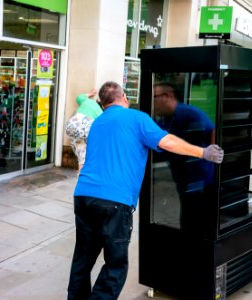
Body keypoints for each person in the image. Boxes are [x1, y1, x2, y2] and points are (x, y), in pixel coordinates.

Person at [67, 81, 224, 300]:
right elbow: (167, 142)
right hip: (115, 201)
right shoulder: (136, 117)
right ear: (123, 98)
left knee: (82, 260)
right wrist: (203, 153)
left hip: (83, 196)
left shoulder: (97, 123)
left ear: (103, 104)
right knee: (115, 265)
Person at [153, 82, 215, 232]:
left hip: (200, 182)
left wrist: (210, 159)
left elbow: (213, 131)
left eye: (154, 97)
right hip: (184, 182)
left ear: (168, 96)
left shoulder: (188, 113)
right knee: (187, 221)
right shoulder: (164, 121)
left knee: (195, 223)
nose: (153, 102)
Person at [65, 89, 103, 173]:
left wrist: (89, 94)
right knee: (84, 155)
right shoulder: (101, 113)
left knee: (81, 154)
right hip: (84, 128)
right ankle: (83, 177)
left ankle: (81, 173)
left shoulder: (88, 101)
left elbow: (79, 97)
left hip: (71, 126)